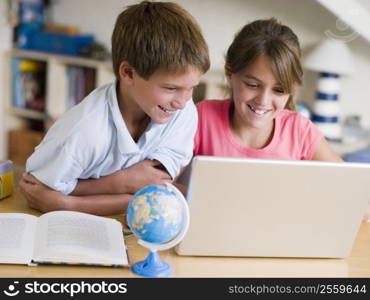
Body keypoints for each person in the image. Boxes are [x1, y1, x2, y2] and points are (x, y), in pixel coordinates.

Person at [19, 1, 210, 215]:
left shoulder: (182, 112)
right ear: (128, 73)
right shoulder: (83, 132)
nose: (182, 102)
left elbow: (157, 190)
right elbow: (38, 191)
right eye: (170, 88)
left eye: (191, 88)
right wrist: (121, 183)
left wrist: (69, 202)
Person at [194, 18, 341, 162]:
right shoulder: (201, 118)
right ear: (230, 75)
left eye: (278, 90)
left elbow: (346, 180)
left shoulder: (300, 131)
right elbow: (173, 181)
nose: (263, 100)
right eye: (253, 85)